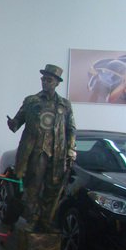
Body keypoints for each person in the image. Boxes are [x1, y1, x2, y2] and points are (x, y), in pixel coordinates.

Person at [7, 64, 76, 232]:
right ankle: (32, 219)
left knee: (52, 188)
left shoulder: (65, 105)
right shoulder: (31, 101)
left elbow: (71, 128)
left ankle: (46, 220)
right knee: (33, 187)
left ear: (57, 83)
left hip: (57, 152)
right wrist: (12, 123)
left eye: (49, 80)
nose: (45, 82)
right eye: (43, 79)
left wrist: (71, 148)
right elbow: (17, 122)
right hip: (36, 151)